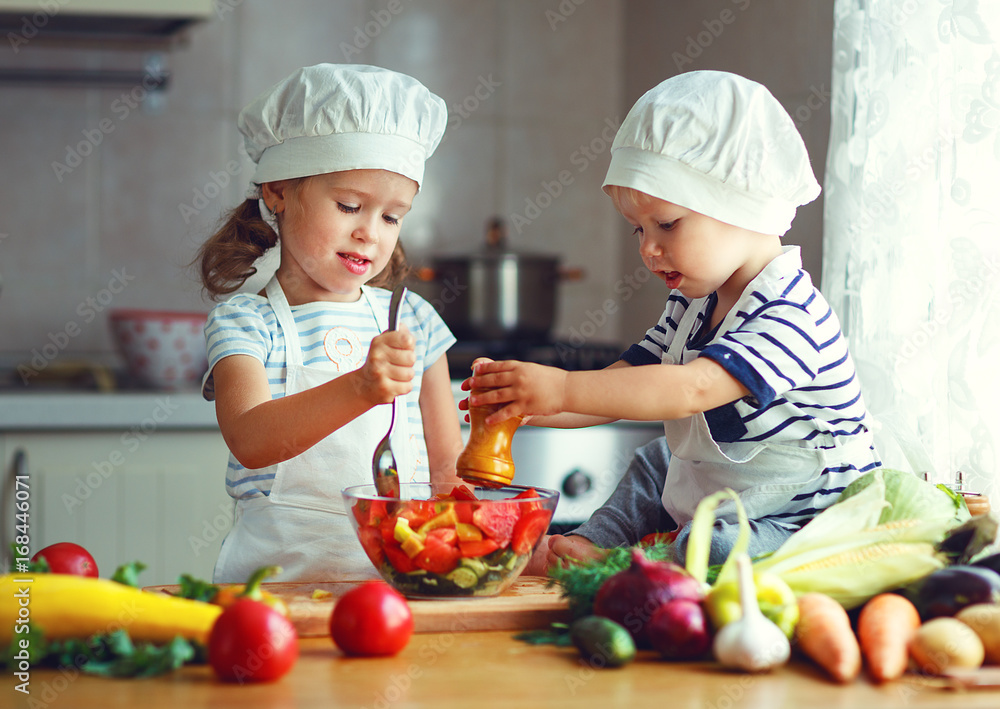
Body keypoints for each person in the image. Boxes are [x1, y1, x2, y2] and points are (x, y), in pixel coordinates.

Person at [466, 71, 882, 572]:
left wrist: (560, 389)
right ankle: (596, 541)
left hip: (803, 519)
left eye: (666, 224)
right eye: (639, 229)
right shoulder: (693, 304)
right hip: (728, 492)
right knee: (653, 462)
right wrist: (528, 405)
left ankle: (646, 561)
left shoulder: (791, 313)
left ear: (740, 204)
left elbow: (691, 389)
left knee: (717, 549)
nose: (647, 247)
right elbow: (618, 385)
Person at [196, 64, 463, 583]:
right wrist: (360, 387)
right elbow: (251, 439)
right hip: (273, 601)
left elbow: (444, 469)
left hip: (397, 598)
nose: (370, 233)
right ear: (277, 191)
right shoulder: (246, 324)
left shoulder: (412, 320)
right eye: (349, 206)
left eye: (391, 217)